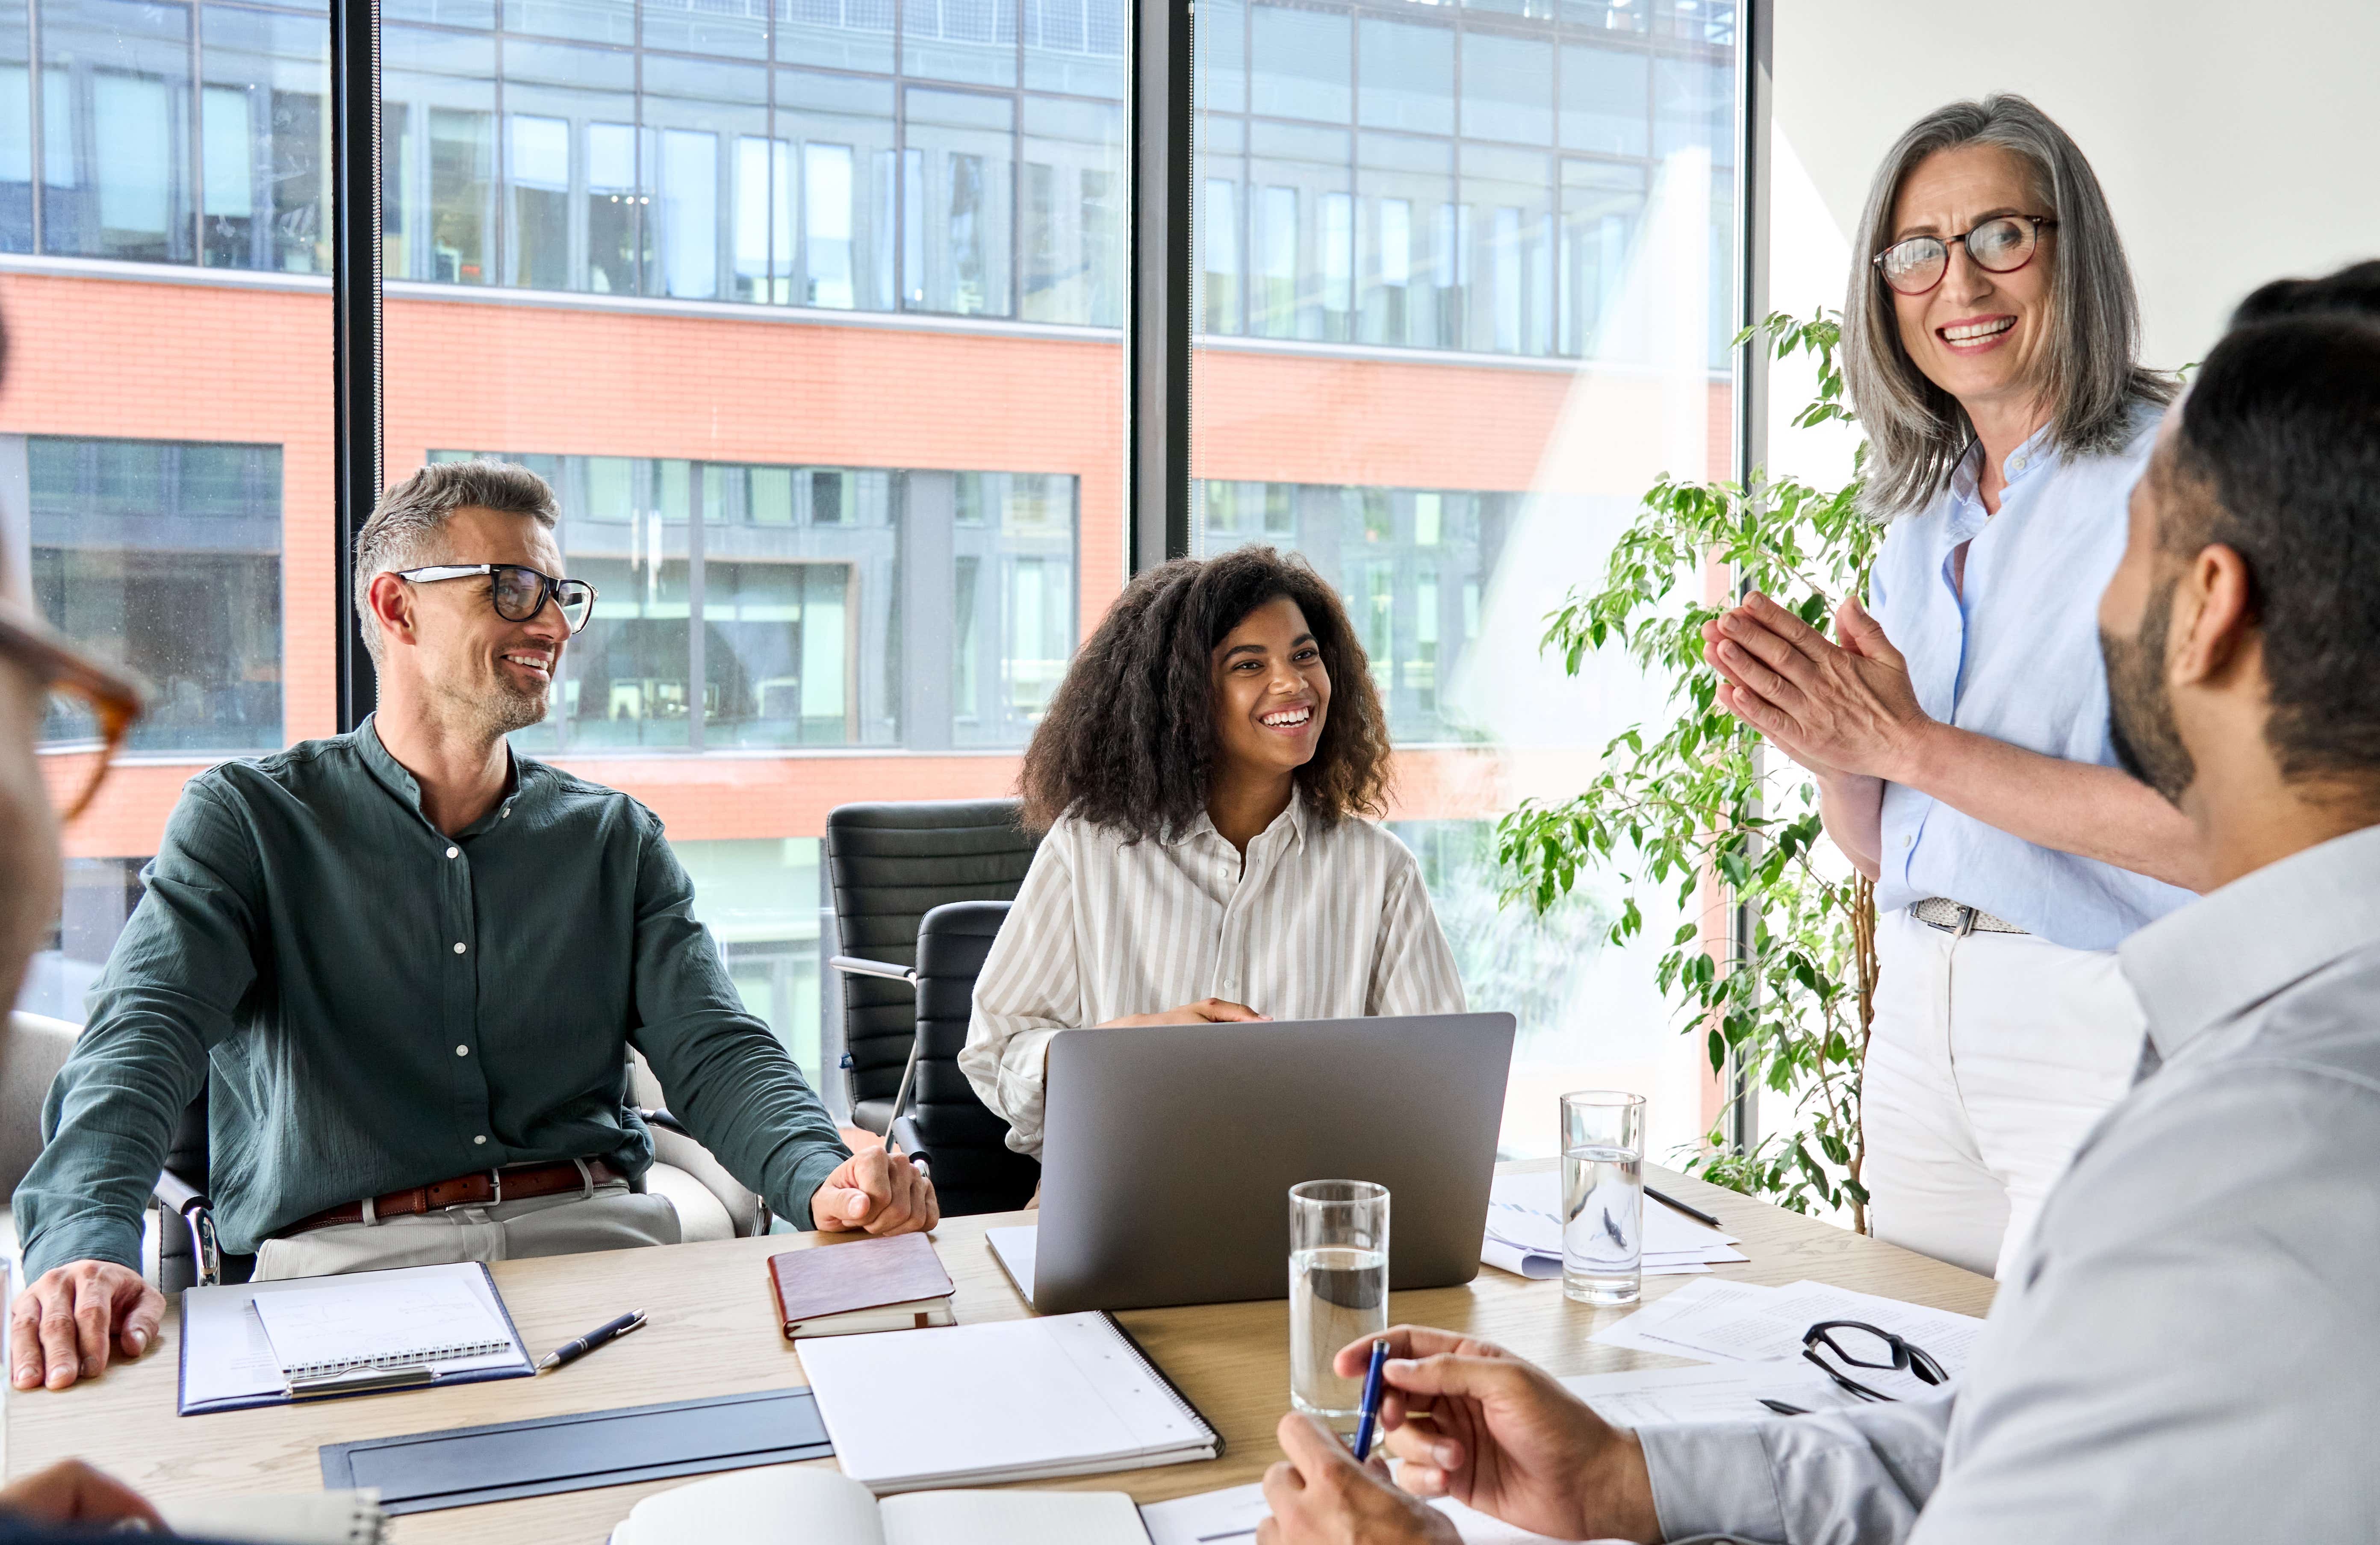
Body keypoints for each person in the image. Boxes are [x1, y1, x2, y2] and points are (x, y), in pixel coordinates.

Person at [1253, 265, 2380, 1543]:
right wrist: (1633, 1478)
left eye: (2129, 540)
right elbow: (2033, 1432)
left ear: (2210, 613)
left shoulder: (2248, 1158)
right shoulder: (2276, 1083)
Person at [11, 459, 938, 1395]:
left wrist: (828, 1173)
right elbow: (140, 1039)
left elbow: (717, 1050)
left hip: (602, 1253)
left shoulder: (613, 837)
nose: (550, 623)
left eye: (559, 594)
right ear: (399, 607)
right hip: (341, 1272)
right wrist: (81, 1246)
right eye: (512, 588)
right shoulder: (248, 820)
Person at [1702, 95, 2197, 1277]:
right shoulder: (1917, 510)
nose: (1958, 285)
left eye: (2001, 239)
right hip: (1923, 1013)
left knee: (2075, 1431)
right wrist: (1838, 748)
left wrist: (1909, 743)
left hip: (2102, 1012)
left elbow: (2228, 840)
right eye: (1919, 252)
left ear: (2074, 254)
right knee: (1918, 1391)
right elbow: (1897, 849)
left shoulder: (2189, 476)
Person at [958, 546, 1465, 1158]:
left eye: (1304, 654)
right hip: (1125, 1196)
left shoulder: (1381, 871)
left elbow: (1446, 1086)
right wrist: (1122, 1049)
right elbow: (996, 1050)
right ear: (1182, 697)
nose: (1293, 682)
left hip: (1313, 1206)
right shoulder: (1089, 849)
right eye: (1249, 665)